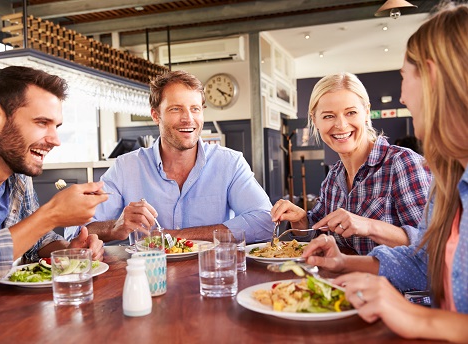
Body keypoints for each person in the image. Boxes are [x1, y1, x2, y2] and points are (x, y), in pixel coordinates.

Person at [302, 3, 468, 341]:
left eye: (405, 77)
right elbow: (425, 263)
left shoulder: (407, 163)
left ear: (434, 77)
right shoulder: (451, 175)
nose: (403, 97)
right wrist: (344, 263)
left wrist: (419, 319)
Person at [0, 66, 107, 301]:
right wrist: (50, 215)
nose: (55, 140)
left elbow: (36, 240)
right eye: (42, 122)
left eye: (56, 126)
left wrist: (68, 251)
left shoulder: (17, 172)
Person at [65, 70, 273, 244]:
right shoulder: (126, 167)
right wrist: (115, 226)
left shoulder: (229, 163)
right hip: (148, 281)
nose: (188, 119)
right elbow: (76, 230)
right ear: (156, 115)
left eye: (195, 109)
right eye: (176, 109)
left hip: (213, 277)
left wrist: (175, 237)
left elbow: (264, 222)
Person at [271, 72, 431, 255]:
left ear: (366, 112)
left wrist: (369, 226)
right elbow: (316, 233)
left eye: (351, 113)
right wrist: (300, 219)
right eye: (328, 116)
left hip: (391, 284)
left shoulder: (402, 163)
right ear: (314, 120)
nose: (341, 125)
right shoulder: (333, 177)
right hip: (339, 281)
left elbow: (429, 244)